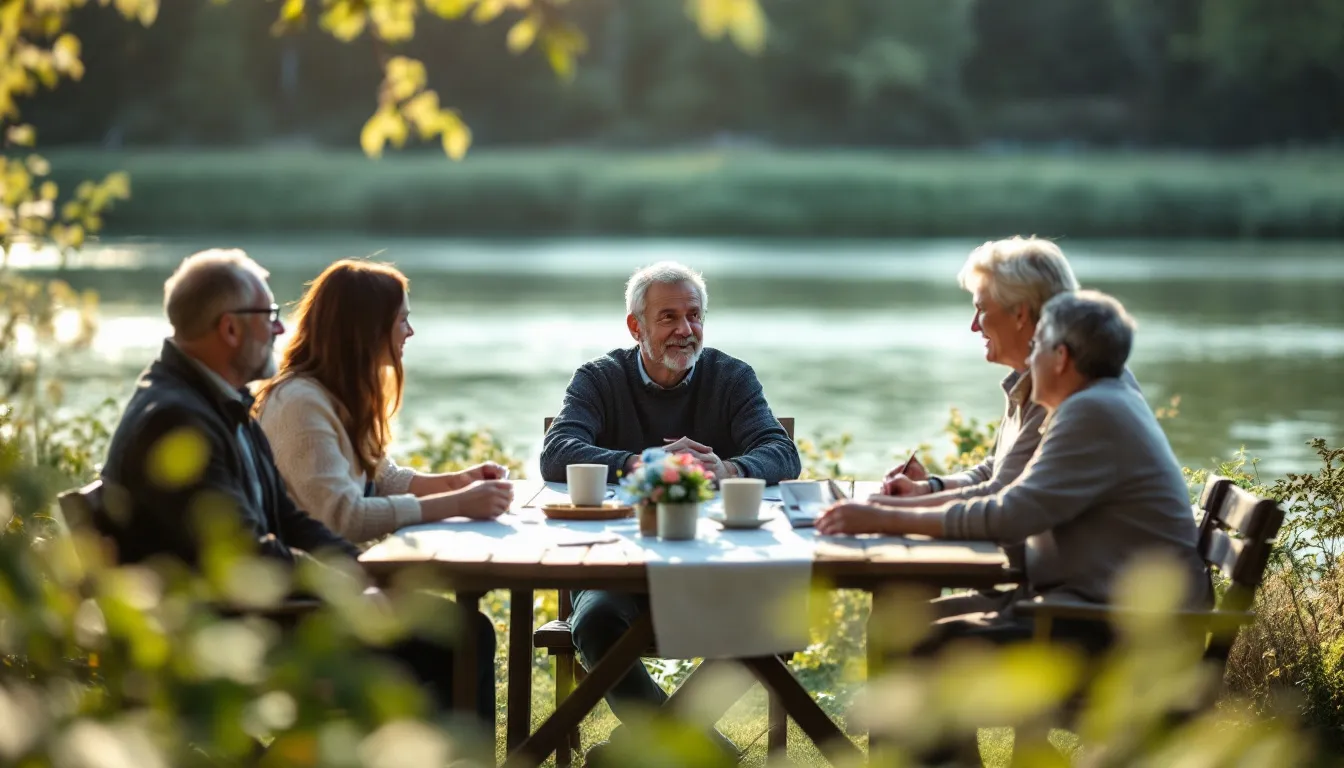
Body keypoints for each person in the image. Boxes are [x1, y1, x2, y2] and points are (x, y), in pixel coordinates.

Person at [100, 249, 496, 726]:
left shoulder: (217, 403)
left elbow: (287, 519)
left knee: (460, 632)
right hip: (225, 634)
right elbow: (244, 553)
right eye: (268, 317)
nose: (280, 329)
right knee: (459, 636)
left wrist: (357, 572)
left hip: (255, 613)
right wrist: (343, 589)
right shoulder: (176, 420)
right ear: (229, 329)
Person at [816, 290, 1212, 655]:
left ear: (1060, 358)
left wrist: (882, 517)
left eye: (1036, 346)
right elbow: (1009, 493)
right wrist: (903, 504)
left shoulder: (1092, 410)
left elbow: (1010, 512)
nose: (1029, 359)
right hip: (1087, 605)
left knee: (916, 642)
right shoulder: (1096, 399)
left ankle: (917, 728)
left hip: (1119, 628)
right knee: (900, 627)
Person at [540, 261, 801, 760]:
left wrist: (726, 468)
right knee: (592, 622)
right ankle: (700, 753)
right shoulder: (600, 378)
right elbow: (557, 451)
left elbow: (782, 452)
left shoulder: (731, 377)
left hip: (719, 565)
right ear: (635, 326)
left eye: (694, 315)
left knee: (768, 616)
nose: (685, 330)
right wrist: (642, 462)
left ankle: (644, 752)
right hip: (612, 567)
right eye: (668, 318)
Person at [874, 237, 1138, 618]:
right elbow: (998, 471)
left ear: (1021, 314)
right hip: (1065, 596)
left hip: (1096, 615)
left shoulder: (1086, 398)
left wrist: (885, 515)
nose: (973, 325)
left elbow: (1007, 503)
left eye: (981, 309)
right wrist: (930, 489)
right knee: (899, 614)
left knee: (902, 621)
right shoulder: (1054, 382)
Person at [254, 259, 513, 543]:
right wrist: (458, 504)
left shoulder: (338, 394)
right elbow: (343, 518)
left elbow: (381, 480)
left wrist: (458, 482)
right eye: (402, 319)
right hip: (316, 578)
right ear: (368, 329)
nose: (410, 331)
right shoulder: (300, 403)